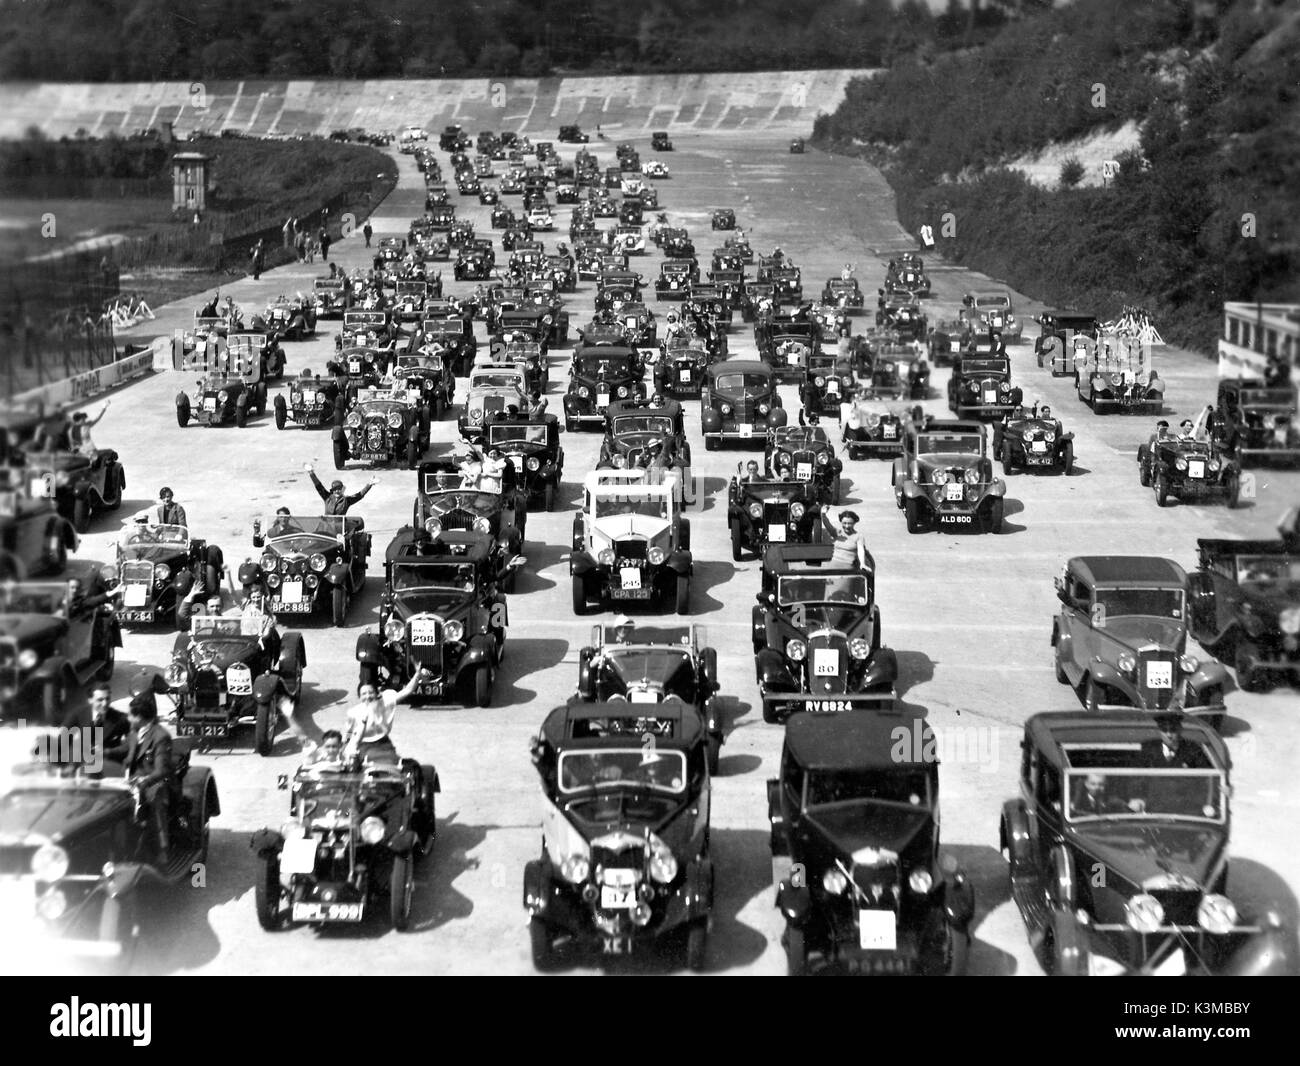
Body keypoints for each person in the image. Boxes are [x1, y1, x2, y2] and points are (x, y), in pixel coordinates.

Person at [103, 692, 178, 860]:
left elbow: (161, 771)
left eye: (130, 715)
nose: (128, 718)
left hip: (156, 782)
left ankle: (162, 849)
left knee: (154, 799)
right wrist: (104, 752)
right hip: (134, 778)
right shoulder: (135, 731)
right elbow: (126, 749)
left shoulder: (161, 736)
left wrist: (143, 781)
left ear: (140, 717)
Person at [344, 669, 431, 765]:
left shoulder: (386, 702)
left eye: (371, 692)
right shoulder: (353, 713)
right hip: (362, 745)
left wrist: (417, 675)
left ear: (377, 694)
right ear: (359, 697)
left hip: (383, 744)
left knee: (393, 765)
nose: (368, 696)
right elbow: (348, 734)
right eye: (364, 694)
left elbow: (407, 691)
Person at [1140, 715, 1211, 769]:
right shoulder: (1148, 749)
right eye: (1164, 730)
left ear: (1180, 730)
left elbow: (1206, 775)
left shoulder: (1192, 750)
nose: (1169, 735)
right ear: (1159, 731)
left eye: (1173, 729)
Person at [303, 463, 377, 515]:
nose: (337, 491)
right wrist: (311, 473)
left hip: (340, 529)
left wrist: (369, 485)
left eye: (339, 489)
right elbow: (318, 485)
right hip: (327, 527)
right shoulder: (327, 497)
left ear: (342, 490)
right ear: (332, 491)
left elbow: (359, 495)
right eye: (335, 489)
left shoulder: (346, 500)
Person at [90, 683, 130, 750]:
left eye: (107, 698)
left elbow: (129, 742)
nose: (105, 703)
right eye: (100, 700)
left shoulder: (121, 719)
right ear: (91, 700)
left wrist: (109, 751)